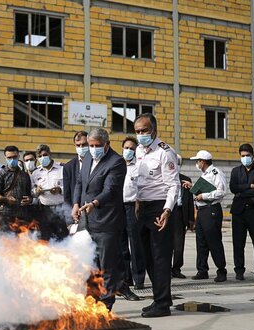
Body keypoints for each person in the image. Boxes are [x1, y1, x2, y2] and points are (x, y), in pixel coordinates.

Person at [71, 127, 127, 311]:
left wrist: (94, 203)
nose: (93, 149)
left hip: (106, 222)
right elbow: (80, 182)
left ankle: (106, 306)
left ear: (107, 144)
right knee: (89, 265)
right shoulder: (88, 157)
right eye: (90, 145)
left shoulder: (116, 162)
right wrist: (76, 204)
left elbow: (110, 190)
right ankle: (91, 302)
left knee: (107, 267)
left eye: (97, 146)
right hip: (86, 221)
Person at [134, 113, 179, 318]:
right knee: (147, 257)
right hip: (143, 207)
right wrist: (137, 202)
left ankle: (162, 305)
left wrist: (167, 210)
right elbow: (140, 180)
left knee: (160, 257)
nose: (141, 135)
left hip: (160, 208)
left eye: (145, 130)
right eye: (138, 131)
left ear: (154, 130)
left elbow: (173, 185)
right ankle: (160, 297)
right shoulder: (139, 151)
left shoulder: (165, 152)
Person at [184, 150, 228, 282]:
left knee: (214, 241)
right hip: (202, 211)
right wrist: (193, 187)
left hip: (211, 210)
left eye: (198, 161)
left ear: (202, 162)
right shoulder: (205, 174)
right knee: (201, 241)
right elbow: (207, 188)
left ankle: (221, 270)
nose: (197, 164)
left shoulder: (216, 173)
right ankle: (202, 270)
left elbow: (221, 191)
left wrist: (203, 196)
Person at [229, 144, 254, 281]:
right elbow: (233, 188)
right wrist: (249, 186)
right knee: (238, 243)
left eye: (247, 155)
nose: (245, 158)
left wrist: (242, 191)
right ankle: (239, 271)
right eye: (242, 156)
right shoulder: (235, 171)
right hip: (239, 212)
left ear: (252, 155)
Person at [119, 136, 145, 298]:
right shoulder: (117, 166)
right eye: (126, 148)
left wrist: (138, 206)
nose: (128, 151)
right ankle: (126, 278)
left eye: (131, 148)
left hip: (133, 207)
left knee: (135, 244)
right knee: (121, 245)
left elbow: (142, 189)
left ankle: (139, 278)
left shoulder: (139, 167)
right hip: (118, 208)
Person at [31, 144, 68, 241]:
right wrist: (36, 191)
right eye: (40, 156)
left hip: (60, 209)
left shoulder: (62, 169)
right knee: (46, 239)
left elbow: (70, 187)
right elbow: (32, 191)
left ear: (50, 154)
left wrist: (60, 190)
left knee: (62, 238)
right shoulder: (36, 173)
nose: (42, 158)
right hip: (44, 210)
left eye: (44, 155)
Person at [0, 145, 32, 232]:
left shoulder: (25, 175)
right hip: (5, 216)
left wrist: (29, 199)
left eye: (14, 157)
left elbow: (29, 195)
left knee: (21, 242)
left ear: (18, 156)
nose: (12, 160)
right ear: (5, 158)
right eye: (9, 157)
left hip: (21, 216)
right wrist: (6, 199)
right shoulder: (0, 174)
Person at [171, 155, 195, 279]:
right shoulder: (163, 178)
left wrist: (191, 219)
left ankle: (176, 268)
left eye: (178, 163)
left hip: (180, 213)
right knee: (165, 244)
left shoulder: (186, 179)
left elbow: (190, 201)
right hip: (168, 212)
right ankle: (165, 269)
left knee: (179, 245)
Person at [63, 131, 88, 210]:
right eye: (78, 145)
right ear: (74, 145)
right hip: (76, 209)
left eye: (84, 145)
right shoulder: (68, 167)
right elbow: (67, 195)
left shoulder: (98, 163)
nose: (81, 148)